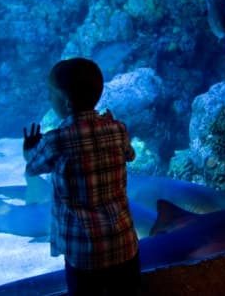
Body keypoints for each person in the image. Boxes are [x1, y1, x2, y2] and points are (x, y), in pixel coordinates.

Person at [23, 57, 141, 296]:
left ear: (66, 103)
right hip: (124, 244)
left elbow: (33, 167)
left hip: (84, 254)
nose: (48, 99)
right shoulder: (117, 129)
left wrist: (29, 149)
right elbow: (131, 155)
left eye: (50, 94)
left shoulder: (56, 140)